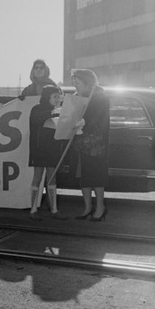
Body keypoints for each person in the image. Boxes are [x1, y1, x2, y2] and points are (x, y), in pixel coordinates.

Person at [71, 69, 110, 221]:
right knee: (84, 176)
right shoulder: (77, 97)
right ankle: (87, 207)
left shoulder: (101, 98)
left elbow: (101, 121)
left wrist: (84, 123)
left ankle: (100, 206)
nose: (75, 86)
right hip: (81, 143)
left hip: (96, 144)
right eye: (74, 82)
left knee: (97, 176)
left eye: (78, 83)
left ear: (88, 83)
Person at [27, 85, 68, 220]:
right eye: (55, 96)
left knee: (52, 178)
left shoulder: (61, 111)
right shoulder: (37, 109)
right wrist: (53, 113)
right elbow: (36, 120)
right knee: (37, 178)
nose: (58, 99)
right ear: (47, 97)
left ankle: (54, 209)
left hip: (54, 148)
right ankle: (33, 209)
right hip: (39, 149)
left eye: (59, 96)